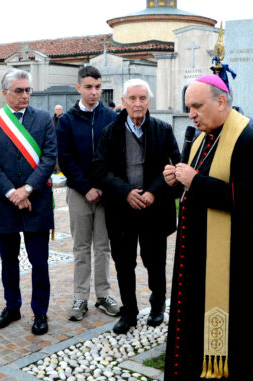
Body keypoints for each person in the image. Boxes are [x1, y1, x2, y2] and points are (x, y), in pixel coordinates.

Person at [161, 75, 253, 380]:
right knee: (191, 321)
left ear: (221, 101)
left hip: (231, 258)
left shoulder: (249, 140)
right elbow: (192, 189)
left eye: (196, 106)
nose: (191, 114)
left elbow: (245, 198)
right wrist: (176, 181)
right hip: (196, 251)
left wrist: (194, 180)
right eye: (188, 107)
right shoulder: (201, 138)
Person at [92, 78, 180, 334]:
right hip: (122, 211)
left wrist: (154, 191)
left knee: (155, 262)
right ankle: (128, 313)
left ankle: (157, 307)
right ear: (123, 102)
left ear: (149, 101)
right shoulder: (110, 132)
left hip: (155, 210)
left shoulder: (163, 130)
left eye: (142, 98)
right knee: (123, 263)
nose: (138, 103)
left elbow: (175, 165)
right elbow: (99, 169)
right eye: (132, 98)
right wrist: (125, 192)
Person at [0, 68, 56, 335]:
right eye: (19, 91)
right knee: (9, 261)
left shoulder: (44, 118)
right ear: (5, 93)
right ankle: (12, 307)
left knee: (40, 262)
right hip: (6, 204)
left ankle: (40, 312)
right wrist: (13, 193)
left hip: (37, 202)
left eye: (28, 90)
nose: (25, 96)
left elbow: (49, 158)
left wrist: (27, 189)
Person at [56, 66, 119, 321]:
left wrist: (103, 186)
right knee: (81, 247)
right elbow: (66, 159)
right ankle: (80, 297)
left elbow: (115, 156)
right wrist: (85, 187)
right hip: (79, 193)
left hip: (106, 194)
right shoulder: (67, 120)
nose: (94, 92)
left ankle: (103, 294)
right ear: (79, 88)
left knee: (103, 247)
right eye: (89, 87)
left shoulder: (111, 118)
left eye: (98, 87)